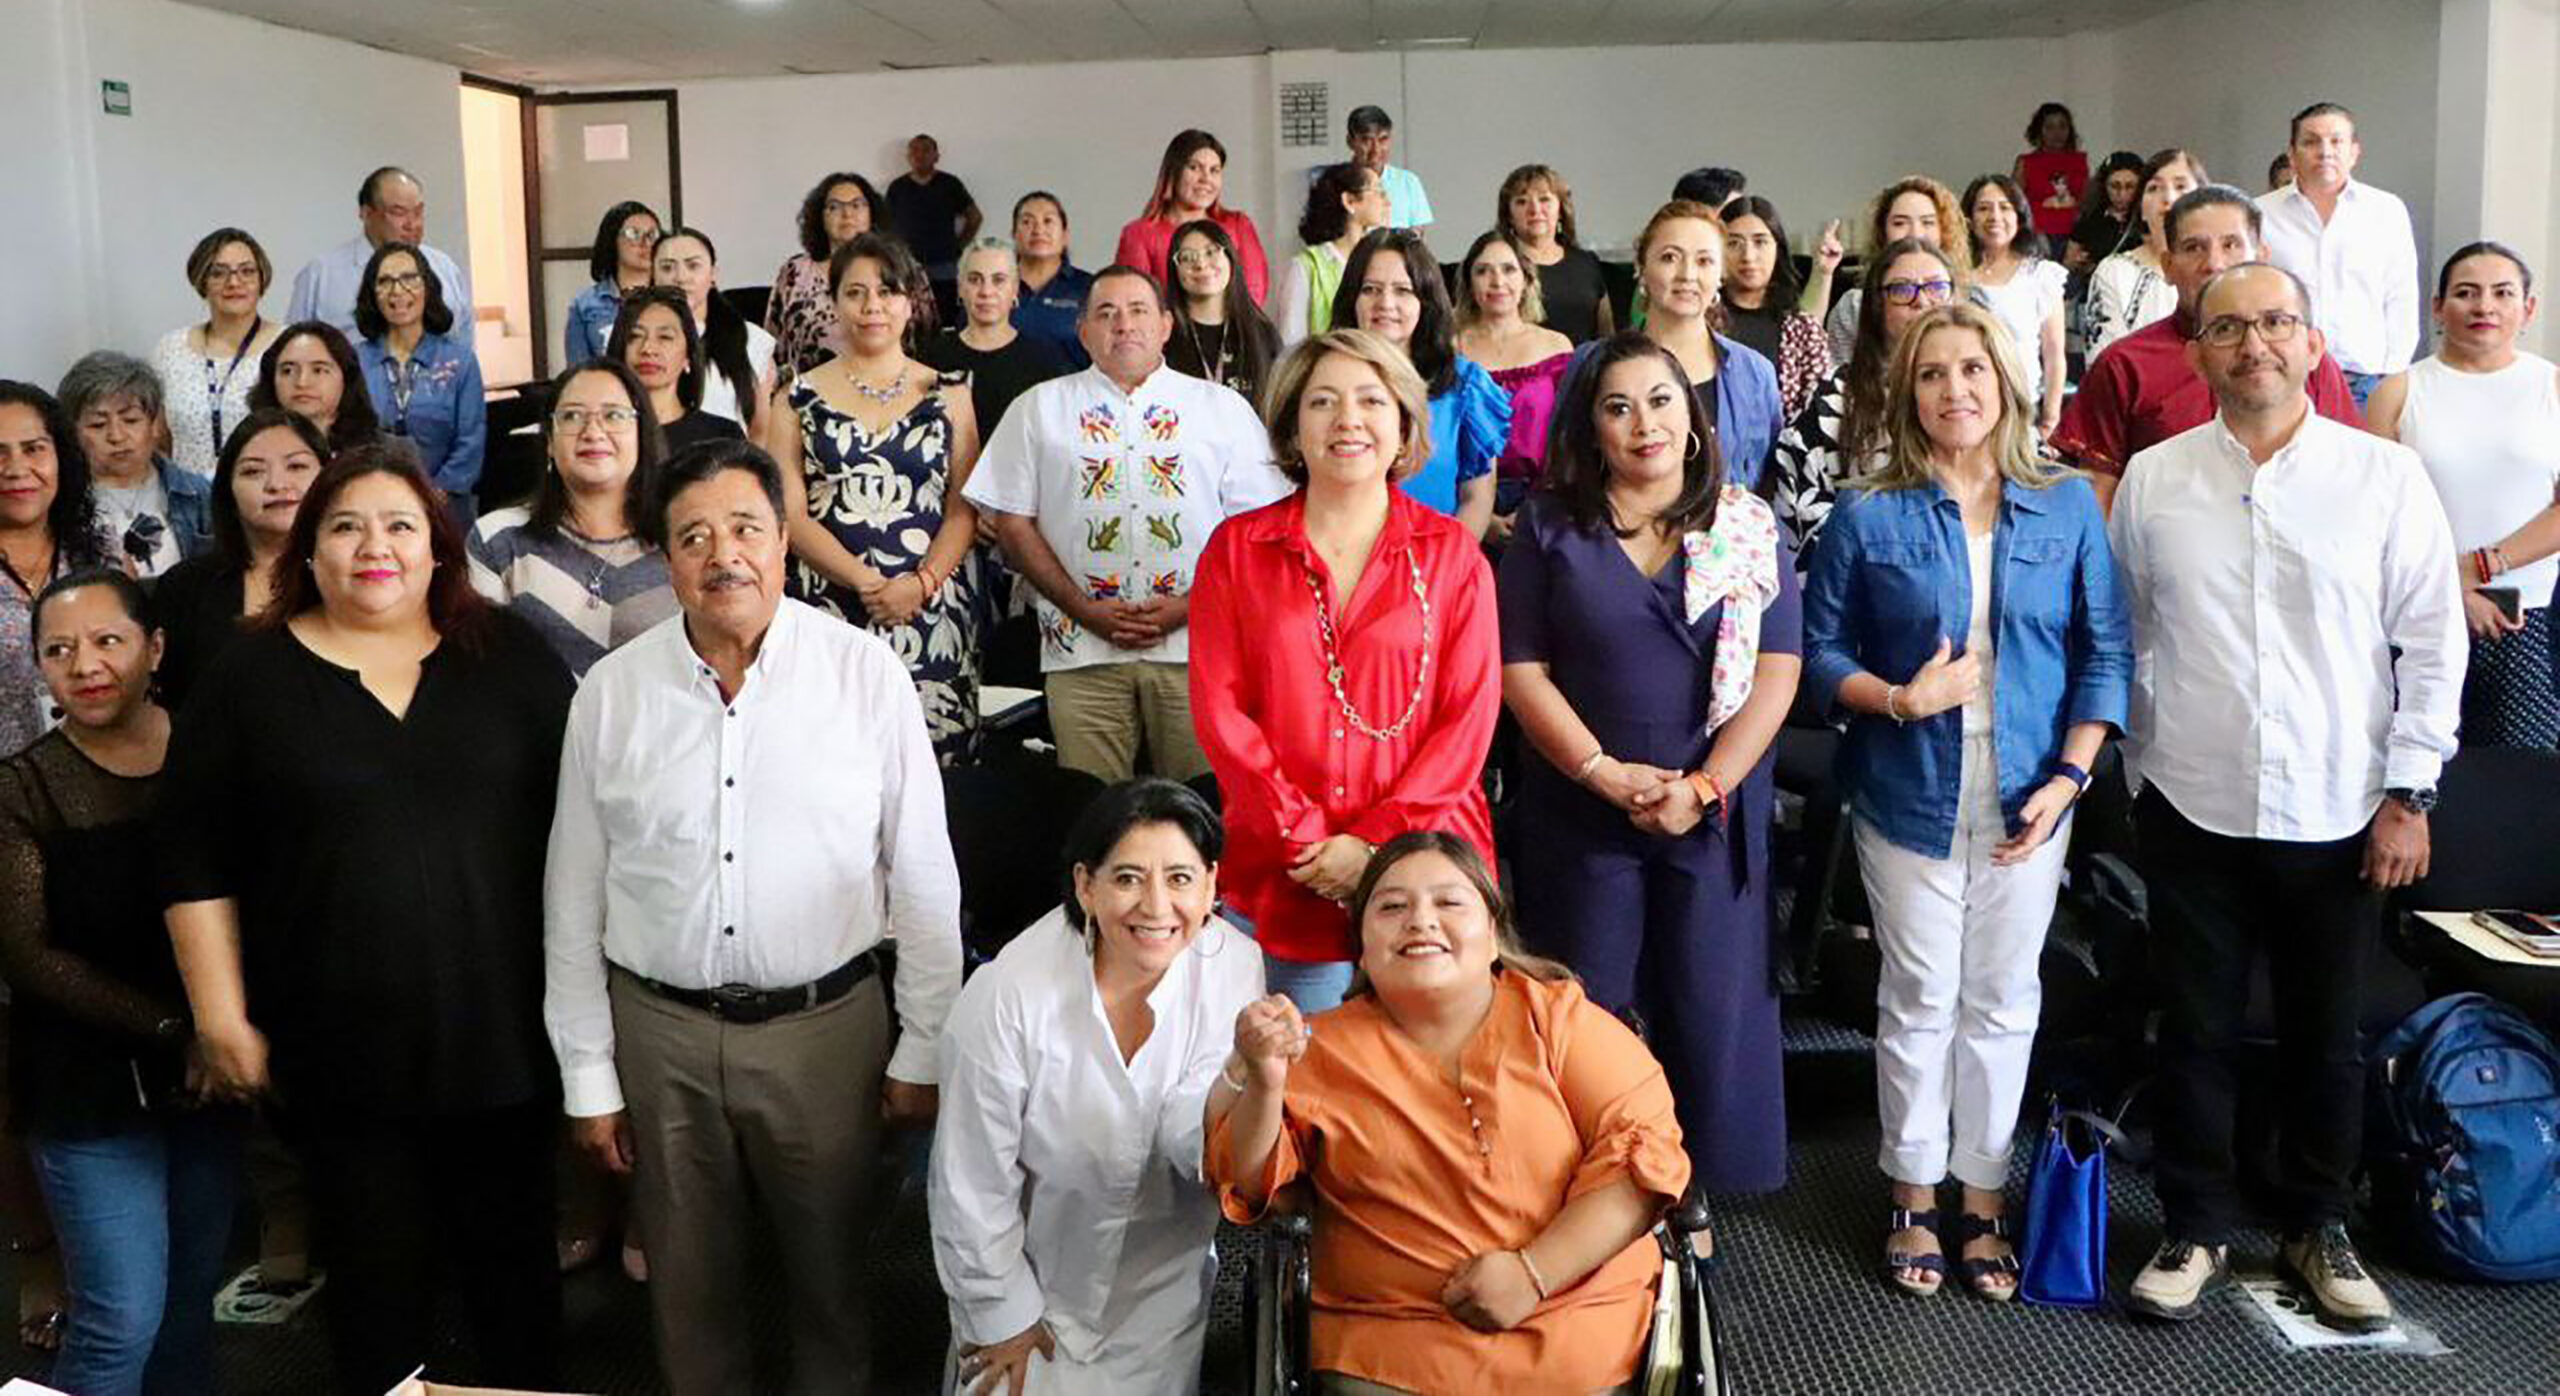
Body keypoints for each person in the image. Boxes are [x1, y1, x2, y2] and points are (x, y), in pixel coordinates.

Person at [543, 437, 962, 1396]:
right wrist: (588, 1074)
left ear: (784, 541)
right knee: (687, 1297)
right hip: (662, 1034)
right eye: (693, 536)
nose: (722, 554)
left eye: (745, 528)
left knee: (834, 1286)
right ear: (665, 557)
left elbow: (925, 879)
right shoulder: (612, 694)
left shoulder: (863, 674)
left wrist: (924, 1046)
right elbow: (572, 897)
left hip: (827, 1032)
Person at [162, 446, 573, 1393]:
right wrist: (220, 1018)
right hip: (340, 1057)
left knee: (517, 1298)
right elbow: (193, 859)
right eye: (345, 526)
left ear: (438, 548)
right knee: (376, 1309)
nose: (373, 546)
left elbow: (586, 834)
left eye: (399, 525)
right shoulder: (247, 677)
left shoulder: (508, 656)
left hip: (505, 1043)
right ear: (308, 552)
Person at [2112, 262, 2464, 1332]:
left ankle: (2319, 1224)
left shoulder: (2383, 476)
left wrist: (2410, 791)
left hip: (2340, 805)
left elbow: (2432, 642)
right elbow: (2127, 632)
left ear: (2313, 343)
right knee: (2195, 1030)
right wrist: (2137, 767)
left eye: (2275, 323)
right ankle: (2194, 1225)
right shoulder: (2155, 479)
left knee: (2326, 1036)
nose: (2253, 343)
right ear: (2199, 352)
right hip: (2191, 795)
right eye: (2228, 328)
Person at [1801, 303, 2130, 1300]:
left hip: (2033, 793)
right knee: (1919, 996)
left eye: (1973, 370)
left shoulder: (2066, 505)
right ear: (1908, 393)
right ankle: (1913, 1190)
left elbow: (2105, 653)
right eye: (1933, 373)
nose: (1955, 390)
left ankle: (1982, 1196)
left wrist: (2070, 780)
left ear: (2007, 383)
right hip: (1907, 791)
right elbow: (1818, 654)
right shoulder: (1868, 511)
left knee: (2003, 997)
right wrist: (1899, 699)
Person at [1205, 832, 1689, 1394]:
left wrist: (1534, 1273)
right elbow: (1252, 1184)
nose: (1420, 921)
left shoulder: (1559, 1020)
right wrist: (1265, 1081)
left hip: (1579, 1320)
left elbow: (1643, 1163)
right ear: (1362, 945)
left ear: (1493, 934)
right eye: (1391, 907)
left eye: (1449, 902)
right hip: (1391, 1341)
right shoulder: (1318, 1049)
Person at [1499, 330, 1802, 1211]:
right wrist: (1600, 772)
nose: (1645, 424)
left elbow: (1777, 672)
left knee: (1710, 1008)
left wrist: (1704, 787)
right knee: (1584, 1015)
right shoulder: (1550, 526)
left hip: (1711, 808)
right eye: (1619, 407)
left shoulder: (1746, 524)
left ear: (1695, 418)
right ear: (1591, 427)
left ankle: (1690, 1197)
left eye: (1662, 400)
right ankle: (1594, 1201)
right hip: (1581, 808)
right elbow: (1520, 669)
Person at [1189, 329, 1500, 1014]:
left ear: (1403, 424)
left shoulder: (1451, 555)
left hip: (1428, 872)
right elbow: (1221, 713)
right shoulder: (1237, 550)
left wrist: (1373, 844)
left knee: (1432, 1068)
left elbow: (1468, 720)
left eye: (1371, 401)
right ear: (1292, 429)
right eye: (1322, 402)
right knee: (1297, 1065)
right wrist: (1307, 841)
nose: (1347, 420)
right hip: (1287, 873)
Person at [927, 779, 1262, 1396]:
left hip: (1158, 1293)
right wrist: (1002, 1314)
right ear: (1086, 885)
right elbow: (970, 1180)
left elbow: (1193, 1141)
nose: (1157, 907)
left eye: (1180, 879)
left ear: (1212, 884)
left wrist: (1246, 1073)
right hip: (1027, 1283)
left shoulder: (1234, 968)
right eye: (1128, 878)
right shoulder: (1008, 993)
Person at [1, 570, 243, 1396]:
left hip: (212, 1081)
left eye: (108, 640)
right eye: (59, 650)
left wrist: (223, 1036)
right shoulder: (22, 786)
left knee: (186, 1310)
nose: (85, 665)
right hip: (86, 1084)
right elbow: (29, 956)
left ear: (156, 647)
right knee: (119, 1321)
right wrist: (183, 1033)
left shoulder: (215, 759)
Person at [965, 266, 1291, 783]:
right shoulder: (1038, 408)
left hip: (1198, 650)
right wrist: (1082, 608)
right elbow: (1012, 523)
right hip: (1080, 652)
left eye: (1138, 310)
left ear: (1165, 325)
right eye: (1106, 313)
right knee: (1091, 804)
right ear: (1083, 331)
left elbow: (1258, 529)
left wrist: (1189, 607)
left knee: (1201, 800)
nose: (1123, 324)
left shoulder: (1221, 408)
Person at [773, 233, 988, 763]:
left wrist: (921, 583)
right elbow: (789, 514)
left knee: (936, 768)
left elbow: (964, 506)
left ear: (910, 301)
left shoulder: (950, 392)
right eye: (856, 292)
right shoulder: (795, 397)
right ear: (834, 301)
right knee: (831, 763)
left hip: (933, 609)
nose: (873, 306)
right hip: (830, 606)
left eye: (887, 291)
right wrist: (866, 582)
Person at [2053, 185, 2363, 509]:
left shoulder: (2297, 357)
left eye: (2231, 245)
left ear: (2261, 256)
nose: (2214, 264)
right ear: (2168, 266)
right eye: (2194, 248)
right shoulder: (2124, 365)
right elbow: (2097, 499)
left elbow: (2348, 472)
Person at [2365, 242, 2560, 748]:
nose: (2484, 306)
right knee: (2414, 764)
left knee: (2521, 774)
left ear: (2528, 308)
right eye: (2466, 293)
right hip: (2417, 611)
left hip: (2529, 614)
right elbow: (2376, 517)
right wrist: (2450, 589)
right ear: (2437, 306)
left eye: (2503, 293)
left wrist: (2481, 567)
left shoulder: (2552, 387)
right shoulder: (2398, 393)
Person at [468, 360, 676, 680]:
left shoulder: (680, 539)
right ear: (550, 442)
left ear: (641, 435)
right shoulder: (496, 539)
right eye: (572, 416)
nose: (593, 432)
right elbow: (484, 669)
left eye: (613, 415)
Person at [1769, 242, 1961, 564]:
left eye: (1936, 287)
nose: (1922, 301)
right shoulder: (1835, 398)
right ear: (1876, 306)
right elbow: (1802, 514)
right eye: (1902, 289)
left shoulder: (1985, 392)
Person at [1333, 229, 1509, 537]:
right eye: (1370, 289)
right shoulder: (1324, 382)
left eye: (1403, 290)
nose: (1385, 303)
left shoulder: (1465, 385)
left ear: (1425, 301)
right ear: (1352, 299)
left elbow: (1477, 497)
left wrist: (1449, 562)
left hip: (1439, 557)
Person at [152, 410, 326, 711]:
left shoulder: (354, 577)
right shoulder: (186, 586)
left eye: (296, 466)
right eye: (253, 471)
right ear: (228, 491)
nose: (276, 484)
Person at [2255, 102, 2421, 406]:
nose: (2325, 151)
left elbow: (2401, 297)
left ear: (2354, 152)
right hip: (2285, 377)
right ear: (2292, 154)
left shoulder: (2386, 211)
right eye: (2311, 142)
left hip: (2366, 381)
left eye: (2336, 141)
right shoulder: (2260, 214)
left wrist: (2393, 375)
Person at [1633, 200, 1786, 490]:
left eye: (1704, 261)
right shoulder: (1596, 365)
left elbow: (1770, 482)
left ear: (1720, 276)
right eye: (1669, 257)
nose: (1687, 275)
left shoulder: (1755, 374)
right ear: (1641, 267)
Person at [0, 383, 111, 759]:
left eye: (33, 449)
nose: (16, 469)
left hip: (100, 771)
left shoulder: (102, 552)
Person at [1452, 229, 1573, 539]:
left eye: (1508, 269)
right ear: (1469, 283)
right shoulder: (1449, 350)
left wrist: (1539, 508)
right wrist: (1484, 518)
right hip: (1464, 503)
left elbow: (1571, 439)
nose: (1497, 281)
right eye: (1483, 271)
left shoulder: (1557, 347)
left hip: (1547, 503)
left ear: (1526, 279)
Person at [354, 241, 487, 522]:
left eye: (409, 278)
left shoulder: (459, 360)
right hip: (373, 504)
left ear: (427, 287)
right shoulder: (355, 361)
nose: (397, 290)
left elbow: (471, 440)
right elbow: (348, 435)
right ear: (372, 294)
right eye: (385, 281)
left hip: (446, 508)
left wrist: (435, 494)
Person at [56, 354, 210, 578]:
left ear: (156, 424)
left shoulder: (199, 494)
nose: (116, 436)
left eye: (130, 420)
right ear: (73, 433)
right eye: (98, 425)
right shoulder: (59, 501)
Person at [286, 167, 474, 350]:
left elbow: (464, 343)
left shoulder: (444, 267)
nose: (412, 224)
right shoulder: (321, 275)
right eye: (399, 213)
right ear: (367, 213)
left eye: (418, 212)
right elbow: (293, 349)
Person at [149, 228, 285, 477]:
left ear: (262, 279)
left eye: (247, 271)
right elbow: (159, 438)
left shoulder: (287, 346)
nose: (234, 282)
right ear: (201, 281)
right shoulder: (170, 348)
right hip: (188, 492)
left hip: (268, 488)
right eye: (218, 273)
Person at [918, 237, 1073, 442]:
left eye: (998, 280)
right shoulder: (930, 360)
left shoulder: (1047, 363)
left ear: (1015, 288)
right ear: (960, 288)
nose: (986, 291)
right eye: (975, 279)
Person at [1960, 175, 2066, 434]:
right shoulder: (1954, 274)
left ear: (2019, 216)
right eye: (1984, 208)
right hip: (1964, 408)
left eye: (2005, 207)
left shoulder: (2040, 275)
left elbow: (2054, 355)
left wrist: (2050, 421)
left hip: (2022, 411)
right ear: (1969, 219)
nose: (1994, 216)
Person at [1114, 131, 1270, 306]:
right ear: (1173, 172)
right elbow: (1135, 302)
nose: (1206, 179)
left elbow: (1253, 294)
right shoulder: (1139, 234)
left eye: (1214, 170)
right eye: (1194, 168)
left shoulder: (1238, 225)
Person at [1826, 177, 1971, 364]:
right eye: (1900, 223)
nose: (1915, 233)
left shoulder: (1968, 307)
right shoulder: (1853, 308)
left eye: (1927, 222)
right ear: (1882, 232)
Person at [1719, 195, 1834, 422]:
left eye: (1760, 242)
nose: (1748, 256)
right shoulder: (1700, 322)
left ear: (1777, 249)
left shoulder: (1802, 329)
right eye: (1734, 243)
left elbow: (1821, 411)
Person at [655, 227, 775, 440]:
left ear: (713, 274)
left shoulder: (751, 340)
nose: (680, 277)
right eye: (667, 267)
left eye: (693, 266)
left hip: (730, 456)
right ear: (653, 275)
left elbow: (761, 430)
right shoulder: (631, 337)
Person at [2082, 149, 2205, 357]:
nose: (2168, 198)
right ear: (2141, 207)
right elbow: (2105, 361)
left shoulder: (2220, 269)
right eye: (2154, 188)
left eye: (2180, 186)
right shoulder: (2114, 272)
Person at [767, 172, 883, 377]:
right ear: (820, 218)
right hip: (806, 390)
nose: (847, 214)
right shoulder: (795, 272)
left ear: (872, 213)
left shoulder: (899, 269)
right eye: (834, 207)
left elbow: (925, 340)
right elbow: (773, 342)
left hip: (885, 390)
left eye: (857, 205)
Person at [608, 286, 746, 453]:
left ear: (688, 355)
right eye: (634, 336)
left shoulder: (722, 436)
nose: (648, 349)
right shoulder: (602, 432)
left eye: (665, 337)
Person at [1165, 218, 1284, 411]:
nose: (1201, 264)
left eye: (1211, 252)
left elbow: (1280, 408)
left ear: (1230, 258)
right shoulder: (1163, 336)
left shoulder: (1262, 334)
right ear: (1175, 270)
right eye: (1187, 257)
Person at [1497, 164, 1615, 344]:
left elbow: (1607, 333)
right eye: (1522, 202)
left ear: (1560, 210)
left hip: (1585, 361)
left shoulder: (1587, 263)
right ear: (1509, 216)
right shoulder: (1499, 267)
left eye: (1544, 200)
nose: (1535, 210)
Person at [1276, 163, 1389, 348]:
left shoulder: (1380, 261)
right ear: (1349, 201)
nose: (1386, 200)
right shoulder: (1306, 266)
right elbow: (1290, 344)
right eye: (1378, 191)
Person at [886, 134, 983, 323]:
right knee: (908, 319)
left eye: (926, 150)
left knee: (946, 317)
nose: (920, 155)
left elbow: (975, 217)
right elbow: (884, 225)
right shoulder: (897, 188)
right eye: (914, 150)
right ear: (908, 157)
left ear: (936, 156)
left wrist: (959, 246)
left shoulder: (950, 184)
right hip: (906, 265)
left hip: (944, 264)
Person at [248, 321, 380, 455]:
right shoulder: (251, 448)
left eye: (318, 370)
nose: (302, 382)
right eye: (288, 371)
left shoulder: (379, 453)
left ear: (346, 377)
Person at [563, 201, 661, 367]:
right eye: (634, 234)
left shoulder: (670, 296)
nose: (646, 243)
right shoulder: (585, 304)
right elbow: (578, 369)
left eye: (652, 235)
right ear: (612, 239)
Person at [1010, 192, 1094, 369]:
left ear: (1065, 235)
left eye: (1048, 221)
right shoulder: (993, 287)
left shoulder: (1090, 288)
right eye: (1027, 222)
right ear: (1014, 234)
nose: (1038, 230)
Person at [2010, 102, 2088, 245]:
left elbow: (2087, 200)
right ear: (2039, 131)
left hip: (2074, 235)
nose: (2057, 133)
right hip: (2037, 235)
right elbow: (2014, 203)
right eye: (2050, 127)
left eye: (2062, 126)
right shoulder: (2026, 163)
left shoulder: (2079, 161)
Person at [1343, 105, 1430, 230]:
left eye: (1383, 139)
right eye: (1366, 140)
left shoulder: (1408, 182)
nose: (1376, 149)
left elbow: (1417, 234)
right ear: (1350, 141)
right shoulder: (1332, 182)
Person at [2063, 151, 2145, 273]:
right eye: (2115, 186)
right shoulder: (2090, 217)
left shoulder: (2147, 220)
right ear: (2103, 186)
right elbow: (2068, 263)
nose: (2122, 194)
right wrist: (2079, 263)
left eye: (2130, 187)